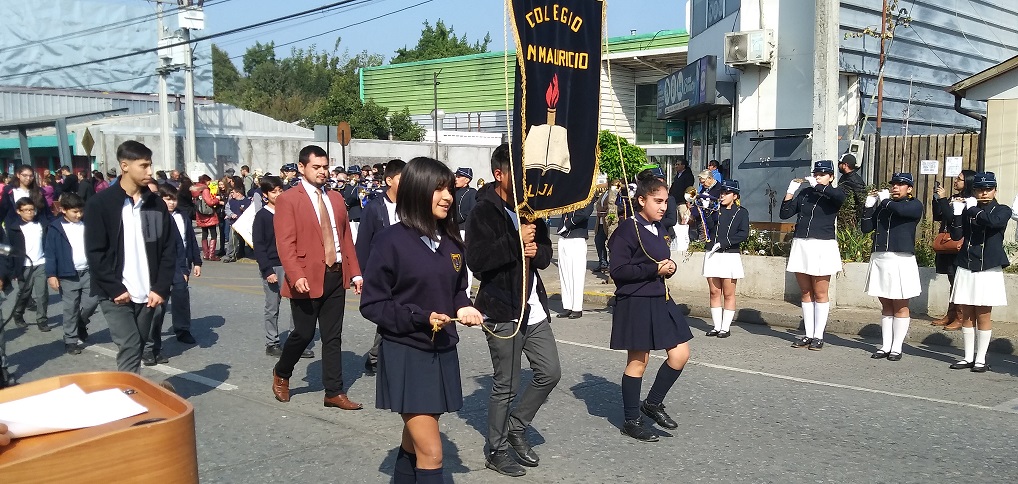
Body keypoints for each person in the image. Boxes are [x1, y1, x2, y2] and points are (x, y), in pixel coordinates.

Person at [360, 157, 482, 484]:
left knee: (414, 441)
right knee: (432, 451)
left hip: (442, 350)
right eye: (438, 188)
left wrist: (465, 307)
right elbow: (372, 304)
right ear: (417, 191)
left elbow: (456, 291)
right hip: (405, 352)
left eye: (449, 189)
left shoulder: (453, 242)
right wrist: (421, 317)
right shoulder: (390, 241)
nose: (447, 196)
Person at [466, 143, 561, 477]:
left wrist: (535, 251)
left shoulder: (530, 207)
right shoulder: (484, 211)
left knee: (550, 372)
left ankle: (517, 427)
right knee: (505, 383)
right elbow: (476, 262)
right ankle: (496, 449)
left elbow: (546, 254)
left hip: (532, 306)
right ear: (499, 174)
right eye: (518, 172)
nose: (525, 178)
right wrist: (514, 241)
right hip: (501, 308)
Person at [270, 145, 364, 409]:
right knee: (304, 332)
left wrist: (355, 273)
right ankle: (282, 372)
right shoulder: (289, 200)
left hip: (335, 274)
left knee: (333, 335)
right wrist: (295, 274)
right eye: (316, 167)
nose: (323, 172)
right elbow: (285, 243)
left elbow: (345, 239)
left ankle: (333, 392)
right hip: (306, 277)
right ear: (302, 168)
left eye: (325, 167)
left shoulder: (335, 198)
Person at [608, 176, 691, 442]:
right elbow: (618, 271)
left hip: (660, 297)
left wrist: (670, 268)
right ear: (641, 200)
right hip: (635, 300)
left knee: (680, 354)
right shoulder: (627, 229)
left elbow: (662, 260)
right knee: (638, 361)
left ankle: (652, 403)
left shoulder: (659, 227)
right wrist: (654, 268)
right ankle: (631, 420)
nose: (664, 207)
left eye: (666, 201)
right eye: (658, 201)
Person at [84, 140, 176, 373]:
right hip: (115, 293)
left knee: (138, 346)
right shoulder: (101, 203)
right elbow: (96, 252)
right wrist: (114, 288)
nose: (150, 172)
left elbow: (167, 248)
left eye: (150, 165)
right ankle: (128, 398)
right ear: (125, 166)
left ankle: (129, 393)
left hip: (148, 293)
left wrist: (160, 288)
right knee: (130, 344)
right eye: (143, 166)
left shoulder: (155, 204)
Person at [947, 172, 1011, 373]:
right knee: (966, 312)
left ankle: (981, 359)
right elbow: (957, 235)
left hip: (987, 268)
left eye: (988, 189)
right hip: (966, 264)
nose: (984, 193)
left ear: (995, 190)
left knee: (983, 314)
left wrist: (971, 208)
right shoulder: (968, 210)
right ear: (974, 191)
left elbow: (993, 222)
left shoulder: (1002, 209)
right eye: (979, 189)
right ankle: (967, 357)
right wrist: (957, 213)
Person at [781, 160, 846, 350]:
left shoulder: (834, 193)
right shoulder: (806, 193)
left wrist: (818, 186)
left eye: (822, 174)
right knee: (805, 291)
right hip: (802, 243)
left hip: (822, 244)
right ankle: (808, 334)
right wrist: (790, 192)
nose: (817, 176)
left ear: (831, 177)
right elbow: (785, 214)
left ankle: (819, 335)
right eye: (816, 173)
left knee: (820, 292)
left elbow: (839, 199)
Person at [860, 173, 923, 361]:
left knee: (900, 304)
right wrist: (869, 206)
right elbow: (866, 228)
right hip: (880, 257)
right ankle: (885, 345)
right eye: (893, 184)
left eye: (901, 184)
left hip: (901, 258)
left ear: (909, 189)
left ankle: (897, 347)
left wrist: (885, 201)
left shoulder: (914, 205)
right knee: (886, 304)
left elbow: (902, 213)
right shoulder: (884, 205)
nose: (895, 187)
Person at [356, 159, 406, 376]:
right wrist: (360, 275)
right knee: (387, 315)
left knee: (400, 313)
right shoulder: (375, 208)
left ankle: (382, 355)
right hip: (382, 272)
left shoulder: (411, 206)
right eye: (402, 179)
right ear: (389, 180)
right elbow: (364, 243)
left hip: (405, 272)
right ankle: (376, 356)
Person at [253, 176, 312, 359]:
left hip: (291, 264)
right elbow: (259, 246)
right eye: (273, 191)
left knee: (297, 304)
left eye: (280, 190)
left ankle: (297, 342)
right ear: (265, 195)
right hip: (273, 265)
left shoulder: (289, 213)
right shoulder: (262, 216)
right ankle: (272, 342)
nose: (278, 194)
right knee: (273, 307)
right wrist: (267, 270)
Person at [143, 185, 201, 366]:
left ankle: (182, 330)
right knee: (156, 309)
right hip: (157, 269)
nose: (170, 202)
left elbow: (188, 241)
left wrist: (193, 263)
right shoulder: (154, 217)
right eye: (166, 199)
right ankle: (150, 348)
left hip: (178, 266)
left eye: (173, 199)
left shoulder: (181, 217)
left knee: (181, 297)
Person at [44, 192, 99, 354]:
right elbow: (50, 252)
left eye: (80, 211)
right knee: (70, 308)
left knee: (92, 302)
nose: (78, 214)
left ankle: (81, 323)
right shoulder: (55, 228)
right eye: (74, 211)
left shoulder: (86, 225)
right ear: (63, 210)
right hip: (67, 274)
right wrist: (51, 274)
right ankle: (70, 340)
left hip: (88, 271)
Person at [703, 180, 749, 338]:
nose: (722, 196)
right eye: (721, 193)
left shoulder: (741, 212)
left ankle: (725, 327)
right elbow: (709, 227)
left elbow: (743, 234)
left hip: (730, 255)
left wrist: (723, 243)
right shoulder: (715, 210)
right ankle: (716, 326)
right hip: (712, 254)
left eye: (726, 193)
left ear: (735, 195)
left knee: (728, 293)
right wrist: (706, 210)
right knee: (714, 291)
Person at [930, 170, 976, 330]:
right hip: (947, 242)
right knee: (952, 279)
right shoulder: (953, 198)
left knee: (959, 281)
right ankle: (950, 314)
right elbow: (939, 216)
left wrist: (943, 199)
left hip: (959, 244)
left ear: (968, 182)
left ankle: (960, 317)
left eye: (960, 179)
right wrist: (937, 200)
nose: (956, 181)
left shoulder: (969, 200)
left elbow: (953, 218)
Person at [8, 198, 50, 332]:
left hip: (41, 263)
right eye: (26, 210)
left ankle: (42, 320)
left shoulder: (41, 224)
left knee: (42, 294)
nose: (30, 213)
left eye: (32, 209)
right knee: (24, 293)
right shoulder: (14, 228)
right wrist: (13, 270)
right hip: (24, 265)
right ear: (18, 212)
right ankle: (18, 314)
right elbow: (10, 250)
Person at [556, 202, 593, 319]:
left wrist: (567, 224)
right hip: (564, 238)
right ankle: (567, 306)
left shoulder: (587, 195)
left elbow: (584, 214)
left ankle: (577, 308)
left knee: (576, 275)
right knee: (564, 274)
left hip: (577, 238)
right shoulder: (569, 195)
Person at [453, 167, 478, 295]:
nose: (456, 178)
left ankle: (466, 292)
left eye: (459, 176)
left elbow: (472, 211)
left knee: (465, 262)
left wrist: (457, 218)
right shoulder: (451, 191)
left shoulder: (471, 193)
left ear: (467, 180)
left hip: (463, 231)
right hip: (452, 230)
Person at [192, 175, 221, 261]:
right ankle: (211, 254)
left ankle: (205, 254)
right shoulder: (205, 189)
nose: (209, 183)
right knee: (213, 234)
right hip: (208, 214)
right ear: (205, 181)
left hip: (200, 214)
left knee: (204, 234)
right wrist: (217, 199)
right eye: (209, 181)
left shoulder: (195, 189)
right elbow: (210, 202)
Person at [221, 184, 251, 263]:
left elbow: (250, 211)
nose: (231, 194)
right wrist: (231, 214)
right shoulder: (231, 202)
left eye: (233, 192)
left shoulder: (247, 201)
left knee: (244, 240)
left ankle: (242, 253)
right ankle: (230, 255)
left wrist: (244, 210)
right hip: (234, 224)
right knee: (232, 240)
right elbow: (227, 209)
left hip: (245, 224)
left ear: (238, 193)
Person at [837, 153, 866, 223]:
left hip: (850, 219)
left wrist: (855, 220)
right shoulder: (844, 177)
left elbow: (861, 201)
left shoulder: (855, 181)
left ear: (845, 165)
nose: (838, 165)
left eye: (840, 163)